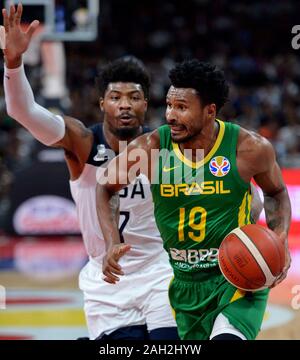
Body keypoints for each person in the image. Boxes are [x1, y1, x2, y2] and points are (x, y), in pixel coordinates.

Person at [2, 3, 178, 340]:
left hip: (159, 274)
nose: (125, 104)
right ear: (102, 104)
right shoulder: (81, 142)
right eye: (115, 96)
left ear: (146, 104)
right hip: (106, 282)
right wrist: (13, 63)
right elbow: (22, 111)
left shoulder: (162, 148)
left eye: (134, 96)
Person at [96, 59, 292, 340]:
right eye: (169, 105)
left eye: (182, 108)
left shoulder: (247, 149)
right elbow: (104, 187)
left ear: (210, 111)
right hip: (185, 283)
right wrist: (111, 243)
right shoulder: (151, 149)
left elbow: (277, 192)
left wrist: (280, 235)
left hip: (236, 279)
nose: (170, 116)